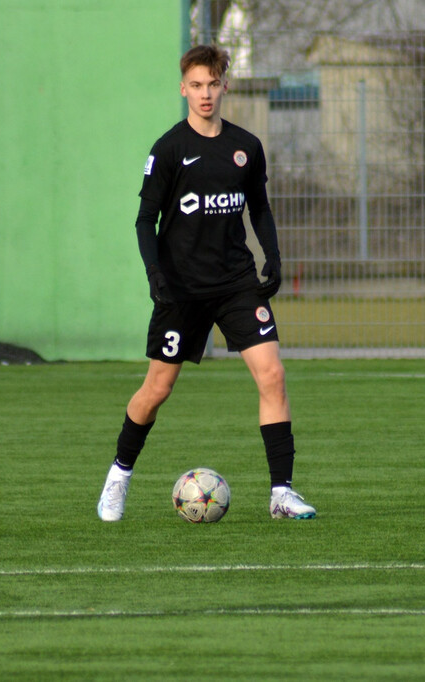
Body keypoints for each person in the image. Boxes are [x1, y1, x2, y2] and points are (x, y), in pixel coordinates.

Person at [96, 44, 316, 522]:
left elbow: (259, 207)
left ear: (225, 86)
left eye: (213, 84)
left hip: (235, 282)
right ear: (183, 89)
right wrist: (155, 273)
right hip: (182, 290)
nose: (205, 94)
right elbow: (144, 220)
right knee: (157, 388)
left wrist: (272, 257)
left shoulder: (246, 147)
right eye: (196, 86)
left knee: (273, 375)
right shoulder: (169, 149)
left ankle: (282, 493)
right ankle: (119, 475)